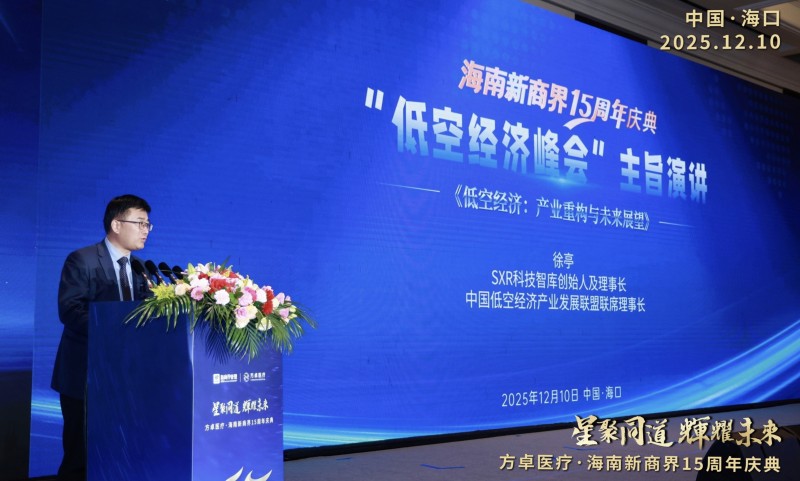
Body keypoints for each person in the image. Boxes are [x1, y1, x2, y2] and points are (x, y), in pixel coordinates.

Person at [51, 194, 153, 481]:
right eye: (140, 223)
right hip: (86, 375)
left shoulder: (141, 268)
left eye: (148, 224)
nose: (146, 230)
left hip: (126, 378)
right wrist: (113, 333)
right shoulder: (82, 260)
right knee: (80, 457)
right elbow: (70, 310)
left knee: (119, 454)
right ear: (116, 224)